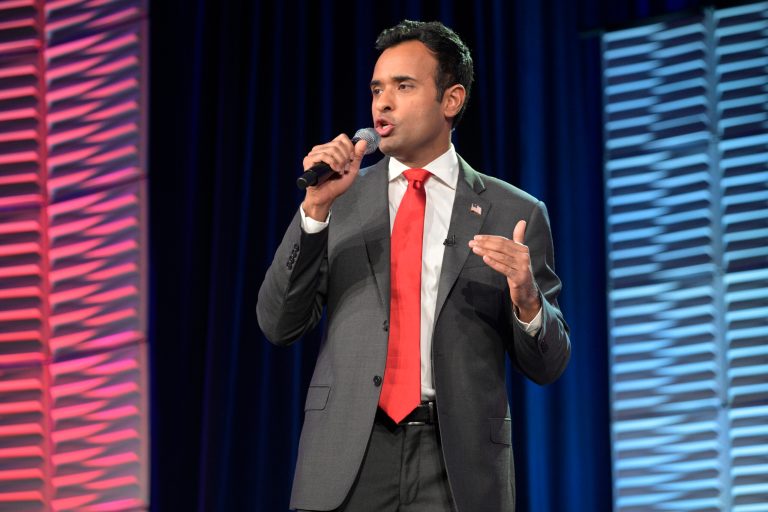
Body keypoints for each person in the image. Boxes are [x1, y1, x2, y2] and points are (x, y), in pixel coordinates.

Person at [257, 20, 570, 512]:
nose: (383, 103)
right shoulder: (342, 198)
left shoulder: (516, 212)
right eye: (377, 89)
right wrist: (313, 212)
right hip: (348, 456)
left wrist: (528, 300)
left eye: (404, 87)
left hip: (455, 462)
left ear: (451, 100)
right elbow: (278, 323)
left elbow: (548, 365)